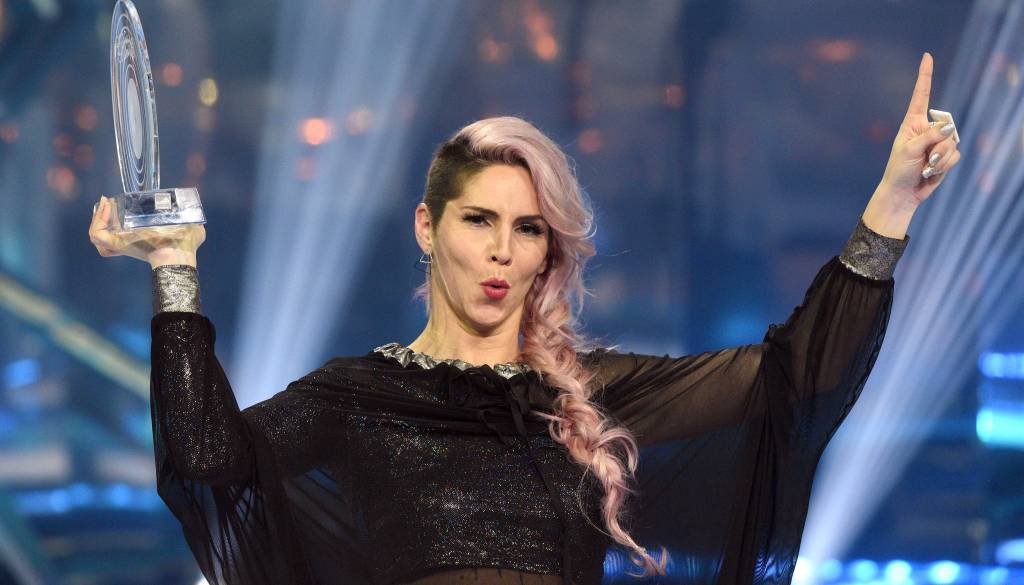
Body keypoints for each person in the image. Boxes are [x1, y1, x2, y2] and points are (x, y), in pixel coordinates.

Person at [88, 53, 960, 585]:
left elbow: (798, 376)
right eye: (479, 220)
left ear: (549, 250)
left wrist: (891, 203)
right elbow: (206, 461)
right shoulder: (357, 398)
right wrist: (174, 268)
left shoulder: (589, 396)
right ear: (428, 228)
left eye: (529, 228)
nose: (503, 251)